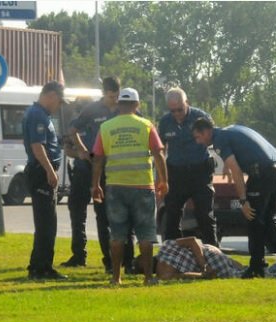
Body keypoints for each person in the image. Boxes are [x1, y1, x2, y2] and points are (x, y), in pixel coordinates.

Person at [192, 118, 276, 280]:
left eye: (198, 137)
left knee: (253, 217)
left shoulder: (219, 139)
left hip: (262, 173)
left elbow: (236, 170)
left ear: (206, 132)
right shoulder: (230, 130)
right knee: (268, 217)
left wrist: (243, 201)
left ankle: (257, 266)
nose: (198, 142)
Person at [91, 88, 169, 286]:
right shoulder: (146, 126)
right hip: (142, 185)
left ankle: (116, 278)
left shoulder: (106, 127)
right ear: (137, 104)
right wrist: (164, 180)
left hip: (115, 187)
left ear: (118, 104)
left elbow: (98, 159)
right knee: (145, 233)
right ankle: (148, 278)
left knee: (117, 234)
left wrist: (95, 185)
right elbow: (159, 154)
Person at [61, 76, 136, 274]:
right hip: (88, 167)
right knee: (91, 214)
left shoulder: (125, 109)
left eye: (116, 96)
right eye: (111, 96)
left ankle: (128, 261)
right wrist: (83, 150)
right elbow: (72, 130)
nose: (114, 100)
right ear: (104, 93)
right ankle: (100, 259)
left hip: (113, 169)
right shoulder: (92, 110)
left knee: (118, 216)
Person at [158, 88, 218, 246]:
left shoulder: (201, 117)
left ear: (187, 103)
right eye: (173, 111)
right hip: (176, 174)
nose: (177, 114)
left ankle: (213, 255)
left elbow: (215, 139)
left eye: (180, 109)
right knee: (171, 215)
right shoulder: (165, 122)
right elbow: (160, 153)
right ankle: (172, 255)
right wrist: (161, 179)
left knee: (204, 215)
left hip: (200, 172)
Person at [22, 81, 68, 280]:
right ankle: (42, 268)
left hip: (41, 171)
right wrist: (50, 171)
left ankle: (37, 265)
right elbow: (37, 146)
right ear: (51, 95)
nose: (58, 106)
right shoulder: (38, 115)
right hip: (41, 173)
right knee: (46, 224)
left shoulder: (40, 114)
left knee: (46, 222)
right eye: (58, 101)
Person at [155, 236, 243, 280]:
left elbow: (183, 275)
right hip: (208, 249)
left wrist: (203, 271)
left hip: (212, 263)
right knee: (236, 265)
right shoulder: (166, 245)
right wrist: (203, 264)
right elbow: (192, 240)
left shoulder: (163, 274)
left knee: (240, 275)